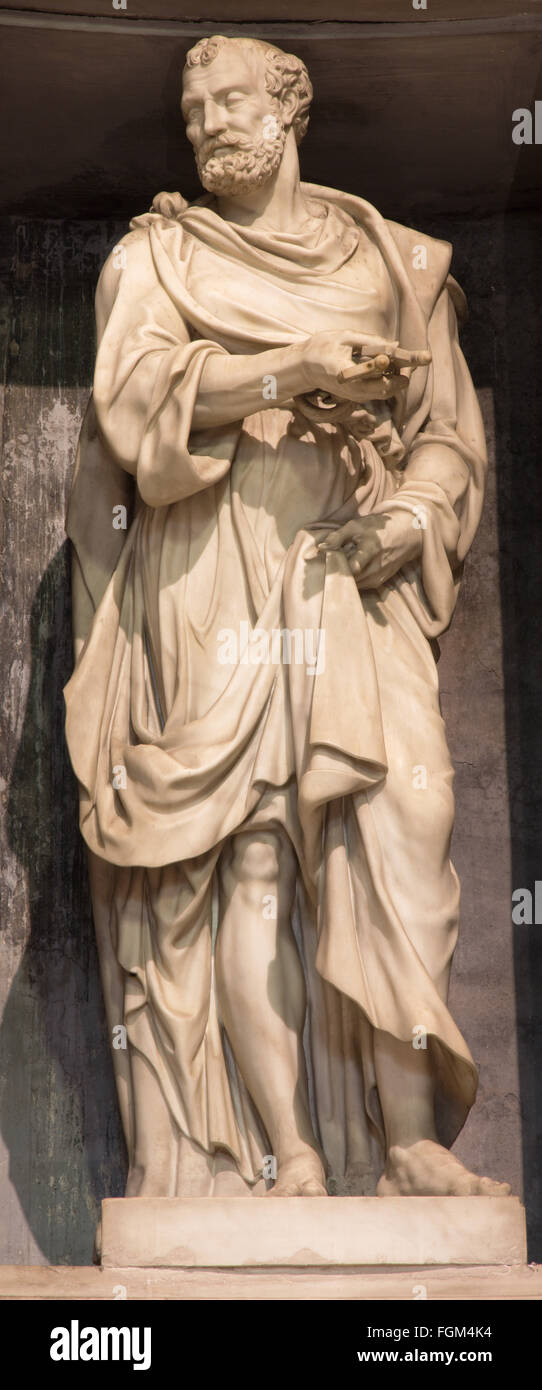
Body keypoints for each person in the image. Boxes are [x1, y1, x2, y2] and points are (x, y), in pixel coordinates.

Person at [65, 34, 510, 1201]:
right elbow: (133, 400)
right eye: (191, 107)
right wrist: (288, 370)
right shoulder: (155, 256)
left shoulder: (389, 256)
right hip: (215, 567)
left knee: (404, 820)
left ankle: (408, 1140)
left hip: (350, 574)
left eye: (229, 101)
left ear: (290, 106)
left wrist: (410, 522)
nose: (208, 123)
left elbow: (446, 436)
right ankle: (288, 1156)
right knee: (247, 853)